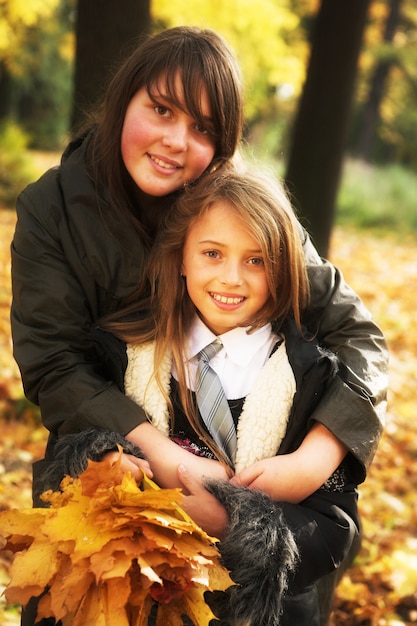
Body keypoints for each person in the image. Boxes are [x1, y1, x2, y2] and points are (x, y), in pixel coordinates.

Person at [9, 25, 387, 626]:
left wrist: (315, 458)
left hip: (259, 498)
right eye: (160, 109)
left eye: (204, 127)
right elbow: (53, 365)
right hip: (111, 479)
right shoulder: (50, 210)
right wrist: (161, 456)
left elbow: (357, 334)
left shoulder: (241, 207)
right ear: (123, 100)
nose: (175, 141)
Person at [82, 165, 359, 625]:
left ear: (284, 266)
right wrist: (105, 466)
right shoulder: (122, 355)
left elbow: (333, 529)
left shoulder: (310, 373)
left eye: (256, 260)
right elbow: (76, 457)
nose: (232, 278)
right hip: (141, 605)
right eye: (212, 253)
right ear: (180, 258)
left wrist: (233, 524)